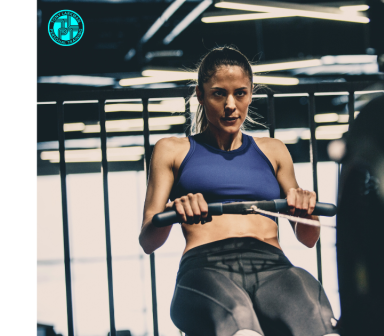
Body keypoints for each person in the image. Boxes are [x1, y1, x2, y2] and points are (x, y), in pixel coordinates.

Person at [139, 46, 338, 336]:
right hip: (206, 267)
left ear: (251, 93)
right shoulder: (171, 151)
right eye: (219, 93)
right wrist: (174, 211)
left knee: (318, 319)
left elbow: (308, 238)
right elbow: (148, 241)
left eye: (240, 93)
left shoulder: (274, 150)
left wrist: (304, 208)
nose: (231, 105)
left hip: (273, 266)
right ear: (200, 94)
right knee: (239, 322)